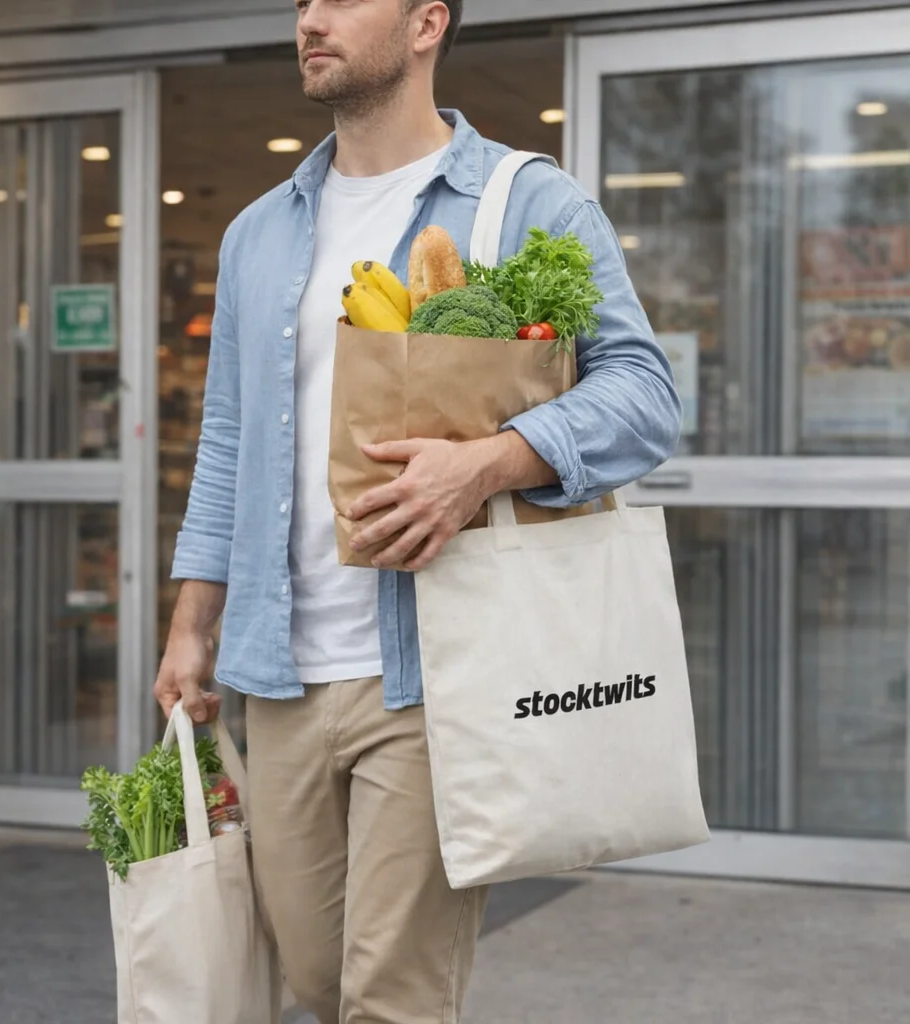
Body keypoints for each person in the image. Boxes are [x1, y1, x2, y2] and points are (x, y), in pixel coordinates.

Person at [154, 0, 681, 1020]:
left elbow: (644, 396)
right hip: (281, 672)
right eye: (302, 1)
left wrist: (487, 463)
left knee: (390, 997)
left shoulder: (525, 202)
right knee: (314, 976)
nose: (311, 17)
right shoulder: (257, 232)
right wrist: (192, 625)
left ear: (427, 20)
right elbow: (226, 442)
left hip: (437, 666)